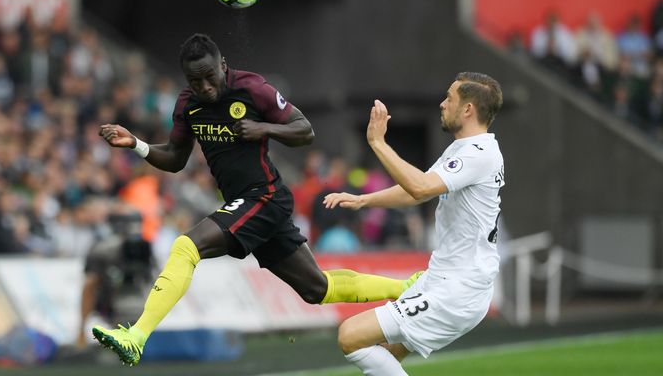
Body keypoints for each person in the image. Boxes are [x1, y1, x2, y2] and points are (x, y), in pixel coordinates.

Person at [91, 33, 419, 365]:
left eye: (209, 76)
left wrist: (264, 130)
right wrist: (137, 144)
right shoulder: (188, 104)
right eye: (195, 80)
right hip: (249, 204)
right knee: (317, 289)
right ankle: (408, 289)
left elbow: (304, 130)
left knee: (186, 247)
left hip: (265, 196)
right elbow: (176, 158)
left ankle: (136, 336)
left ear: (222, 65)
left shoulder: (251, 88)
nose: (204, 86)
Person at [324, 72, 504, 375]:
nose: (442, 104)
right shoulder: (464, 148)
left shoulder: (479, 153)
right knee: (385, 358)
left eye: (450, 97)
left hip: (458, 289)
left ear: (468, 109)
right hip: (443, 280)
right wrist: (364, 200)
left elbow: (419, 187)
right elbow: (416, 191)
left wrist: (378, 143)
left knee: (350, 336)